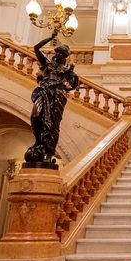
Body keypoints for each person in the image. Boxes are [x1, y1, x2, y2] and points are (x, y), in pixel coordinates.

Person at [24, 30, 79, 163]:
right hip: (44, 92)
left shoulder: (66, 70)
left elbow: (74, 85)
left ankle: (49, 153)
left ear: (65, 57)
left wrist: (72, 73)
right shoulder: (46, 64)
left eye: (63, 54)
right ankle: (38, 141)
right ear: (56, 53)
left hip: (58, 95)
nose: (60, 55)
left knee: (54, 124)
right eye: (58, 53)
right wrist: (50, 37)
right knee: (35, 116)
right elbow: (36, 48)